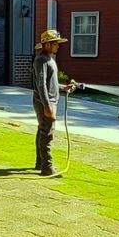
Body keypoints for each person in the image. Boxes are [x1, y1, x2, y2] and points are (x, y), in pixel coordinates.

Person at [32, 28, 79, 176]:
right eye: (55, 43)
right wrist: (47, 106)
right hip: (45, 102)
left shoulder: (49, 59)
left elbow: (49, 83)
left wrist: (63, 87)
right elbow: (41, 85)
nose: (58, 46)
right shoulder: (41, 60)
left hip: (49, 101)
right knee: (47, 133)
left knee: (42, 131)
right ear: (46, 45)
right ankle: (47, 167)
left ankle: (40, 163)